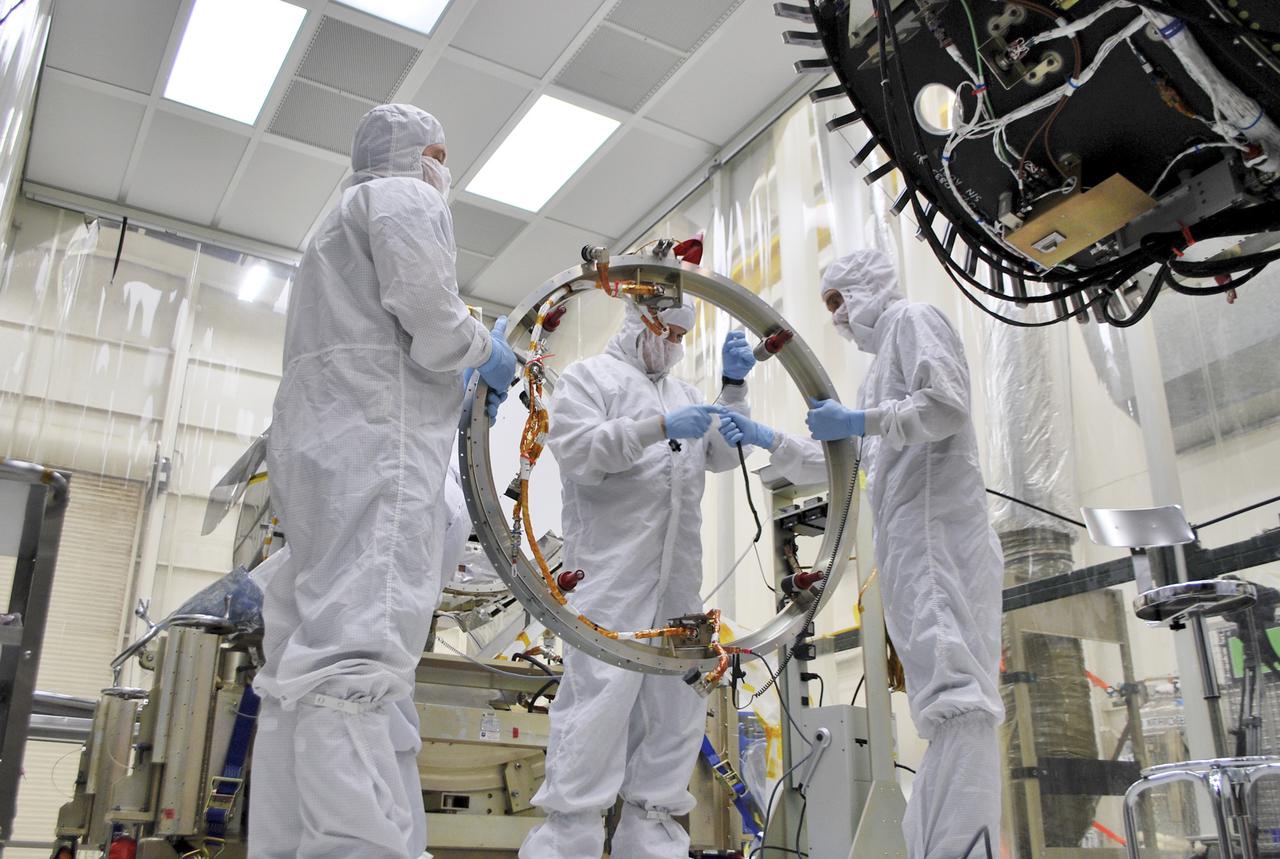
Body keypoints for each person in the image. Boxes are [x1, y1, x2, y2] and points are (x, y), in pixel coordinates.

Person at [249, 103, 516, 859]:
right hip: (379, 450)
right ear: (424, 151)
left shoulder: (329, 228)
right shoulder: (405, 195)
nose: (444, 168)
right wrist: (484, 348)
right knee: (357, 663)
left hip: (323, 457)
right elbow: (432, 319)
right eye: (440, 153)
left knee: (300, 667)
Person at [719, 249, 1004, 859]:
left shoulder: (913, 320)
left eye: (838, 301)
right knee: (943, 709)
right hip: (910, 550)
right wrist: (773, 439)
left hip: (939, 543)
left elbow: (946, 405)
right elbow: (851, 466)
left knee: (960, 703)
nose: (838, 319)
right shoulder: (876, 377)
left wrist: (858, 419)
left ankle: (961, 847)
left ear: (868, 285)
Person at [519, 303, 758, 859]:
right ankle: (570, 832)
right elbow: (580, 454)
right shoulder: (589, 378)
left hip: (679, 580)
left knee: (677, 702)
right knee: (599, 700)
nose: (674, 343)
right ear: (638, 318)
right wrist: (655, 429)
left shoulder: (685, 391)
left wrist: (733, 387)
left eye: (682, 334)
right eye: (667, 330)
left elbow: (723, 452)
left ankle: (652, 831)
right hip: (610, 575)